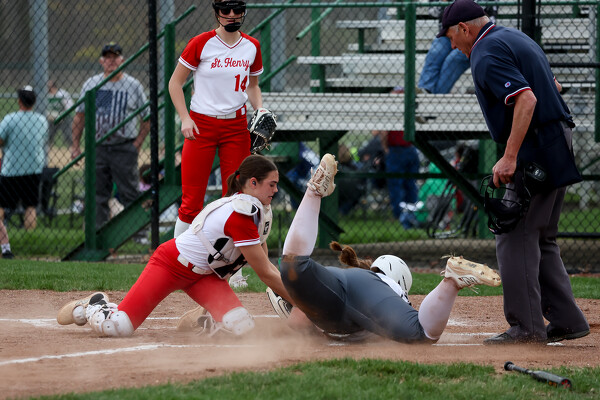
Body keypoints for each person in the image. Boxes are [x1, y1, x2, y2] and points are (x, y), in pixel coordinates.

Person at [438, 0, 589, 343]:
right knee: (540, 236)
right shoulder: (514, 37)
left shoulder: (485, 51)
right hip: (556, 139)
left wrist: (509, 156)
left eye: (450, 37)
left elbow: (527, 99)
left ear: (464, 29)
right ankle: (567, 319)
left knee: (514, 235)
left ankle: (526, 328)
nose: (452, 46)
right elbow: (554, 86)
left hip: (536, 147)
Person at [271, 153, 502, 343]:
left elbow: (299, 322)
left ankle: (313, 192)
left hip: (338, 284)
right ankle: (450, 281)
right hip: (350, 295)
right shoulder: (385, 289)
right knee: (421, 334)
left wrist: (303, 308)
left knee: (293, 264)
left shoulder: (360, 282)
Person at [56, 155, 296, 337]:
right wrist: (301, 302)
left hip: (205, 277)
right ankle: (95, 305)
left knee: (242, 326)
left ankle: (199, 321)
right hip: (171, 265)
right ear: (253, 183)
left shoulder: (258, 211)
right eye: (271, 184)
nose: (276, 190)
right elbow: (265, 272)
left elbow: (265, 261)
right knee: (117, 327)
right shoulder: (240, 214)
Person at [168, 0, 265, 238]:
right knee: (191, 202)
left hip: (236, 127)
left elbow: (252, 86)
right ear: (216, 12)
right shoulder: (200, 42)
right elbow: (175, 83)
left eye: (237, 9)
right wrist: (184, 118)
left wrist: (260, 110)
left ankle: (231, 262)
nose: (232, 14)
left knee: (236, 200)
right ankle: (179, 258)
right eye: (225, 9)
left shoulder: (252, 45)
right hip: (201, 125)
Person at [70, 42, 150, 229]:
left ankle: (137, 233)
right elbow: (80, 116)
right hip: (98, 147)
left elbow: (147, 117)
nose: (111, 61)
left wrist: (137, 144)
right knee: (97, 194)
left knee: (129, 192)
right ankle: (99, 233)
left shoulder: (133, 85)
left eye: (115, 57)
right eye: (107, 57)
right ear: (101, 61)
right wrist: (75, 145)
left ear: (122, 60)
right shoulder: (92, 84)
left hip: (124, 146)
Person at [0, 85, 49, 258]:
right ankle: (30, 240)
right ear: (34, 102)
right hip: (34, 168)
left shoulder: (10, 118)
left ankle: (4, 243)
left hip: (12, 169)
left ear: (19, 101)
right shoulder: (42, 120)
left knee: (2, 205)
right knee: (30, 206)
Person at [417, 0, 497, 94]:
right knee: (435, 52)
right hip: (448, 34)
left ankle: (434, 97)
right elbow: (432, 11)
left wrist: (454, 6)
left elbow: (486, 17)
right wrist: (444, 2)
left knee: (452, 60)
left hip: (473, 38)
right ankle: (425, 91)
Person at [372, 86, 421, 228]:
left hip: (396, 150)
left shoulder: (392, 107)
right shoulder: (409, 104)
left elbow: (379, 132)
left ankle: (400, 215)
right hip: (410, 148)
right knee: (410, 184)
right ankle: (410, 215)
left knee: (396, 185)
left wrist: (385, 148)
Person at [46, 79, 74, 148]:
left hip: (64, 117)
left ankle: (73, 148)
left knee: (67, 135)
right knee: (49, 135)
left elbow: (70, 107)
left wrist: (61, 116)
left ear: (53, 87)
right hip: (52, 119)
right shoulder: (46, 95)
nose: (48, 89)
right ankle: (48, 148)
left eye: (49, 87)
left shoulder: (62, 94)